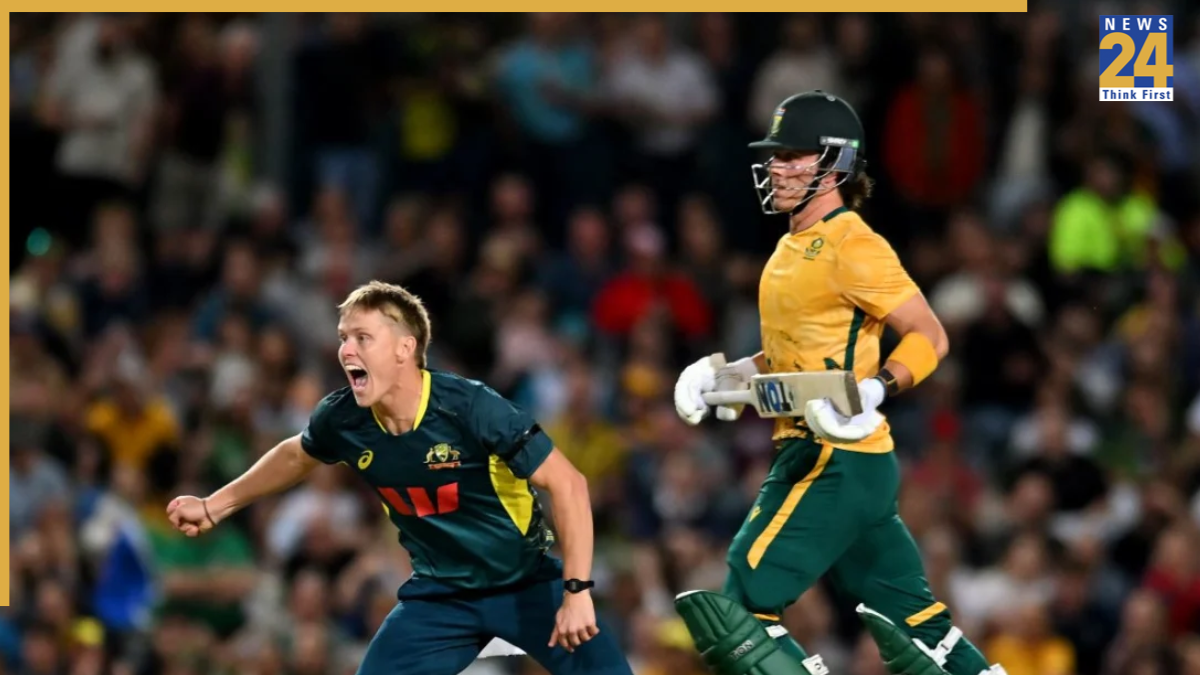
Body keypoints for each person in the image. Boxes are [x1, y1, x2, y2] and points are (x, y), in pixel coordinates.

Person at [671, 91, 1007, 675]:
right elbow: (792, 358)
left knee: (742, 605)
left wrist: (876, 388)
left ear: (834, 165)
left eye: (792, 155)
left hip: (832, 454)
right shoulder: (789, 247)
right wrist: (726, 378)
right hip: (846, 460)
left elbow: (930, 335)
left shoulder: (854, 244)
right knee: (919, 629)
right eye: (776, 155)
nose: (776, 166)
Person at [167, 281, 633, 675]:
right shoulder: (343, 419)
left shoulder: (471, 408)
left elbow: (569, 484)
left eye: (362, 338)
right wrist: (214, 505)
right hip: (439, 596)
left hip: (524, 583)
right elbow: (296, 455)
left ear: (405, 348)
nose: (346, 350)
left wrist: (576, 592)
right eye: (343, 338)